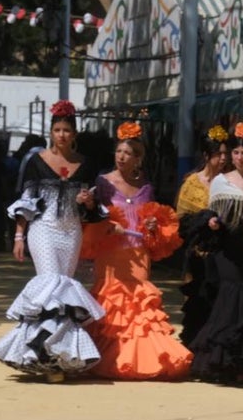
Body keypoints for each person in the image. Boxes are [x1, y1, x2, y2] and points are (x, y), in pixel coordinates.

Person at [0, 101, 104, 381]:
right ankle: (38, 352)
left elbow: (90, 213)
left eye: (67, 130)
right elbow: (26, 202)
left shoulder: (85, 165)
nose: (62, 135)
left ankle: (57, 357)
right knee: (50, 285)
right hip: (42, 229)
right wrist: (19, 235)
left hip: (71, 231)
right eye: (57, 130)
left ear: (74, 133)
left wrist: (87, 202)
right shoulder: (37, 162)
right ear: (51, 132)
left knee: (64, 293)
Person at [80, 121, 192, 380]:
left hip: (138, 252)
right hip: (111, 251)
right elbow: (94, 215)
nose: (121, 157)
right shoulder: (103, 182)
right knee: (111, 302)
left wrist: (152, 223)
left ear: (138, 158)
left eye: (127, 153)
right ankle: (110, 357)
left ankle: (144, 360)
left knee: (140, 307)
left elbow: (148, 214)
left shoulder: (147, 186)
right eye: (118, 152)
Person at [186, 121, 243, 386]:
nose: (239, 158)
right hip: (227, 251)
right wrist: (212, 223)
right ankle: (221, 361)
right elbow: (208, 220)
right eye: (236, 153)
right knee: (231, 294)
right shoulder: (220, 183)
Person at [175, 125, 229, 346]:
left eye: (226, 153)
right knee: (199, 300)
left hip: (225, 252)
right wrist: (203, 223)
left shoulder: (230, 182)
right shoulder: (192, 183)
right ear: (207, 156)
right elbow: (181, 220)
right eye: (218, 154)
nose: (223, 158)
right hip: (198, 254)